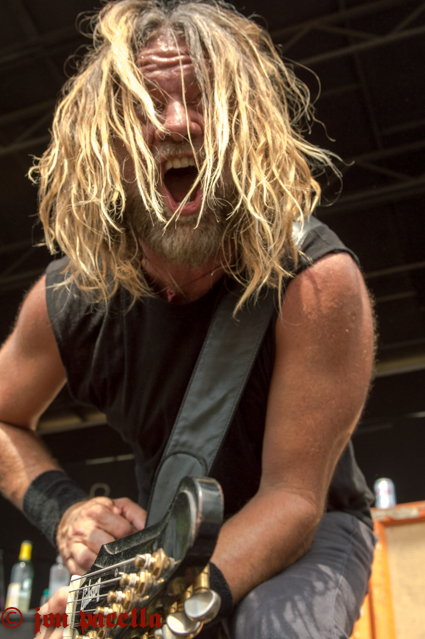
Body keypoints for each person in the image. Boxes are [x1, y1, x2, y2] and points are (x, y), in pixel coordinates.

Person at [0, 1, 375, 637]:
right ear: (106, 140)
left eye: (206, 101)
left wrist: (149, 607)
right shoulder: (73, 294)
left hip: (308, 532)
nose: (178, 123)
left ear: (247, 126)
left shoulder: (316, 279)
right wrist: (65, 513)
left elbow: (292, 500)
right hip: (169, 540)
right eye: (149, 105)